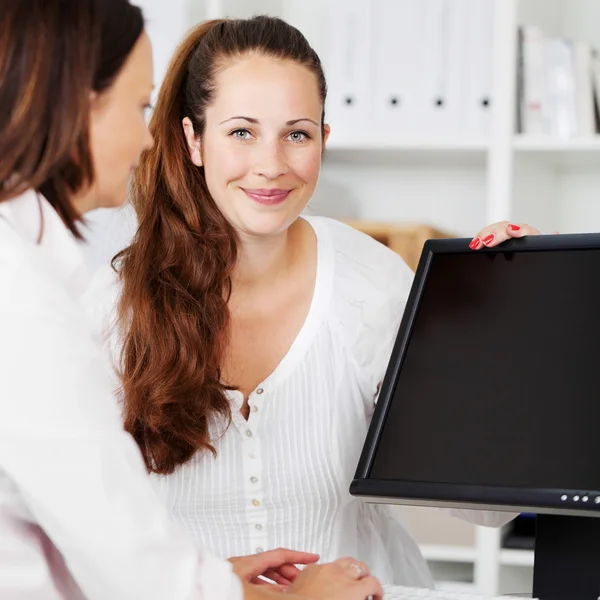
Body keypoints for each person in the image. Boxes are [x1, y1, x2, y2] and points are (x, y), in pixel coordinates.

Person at [85, 14, 516, 589]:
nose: (272, 164)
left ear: (323, 140)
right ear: (194, 140)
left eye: (297, 134)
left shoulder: (371, 283)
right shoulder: (115, 309)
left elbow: (489, 509)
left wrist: (507, 318)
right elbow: (79, 536)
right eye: (241, 132)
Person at [0, 2, 383, 599]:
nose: (142, 135)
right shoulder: (45, 302)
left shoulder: (370, 280)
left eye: (297, 133)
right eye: (138, 107)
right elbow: (116, 555)